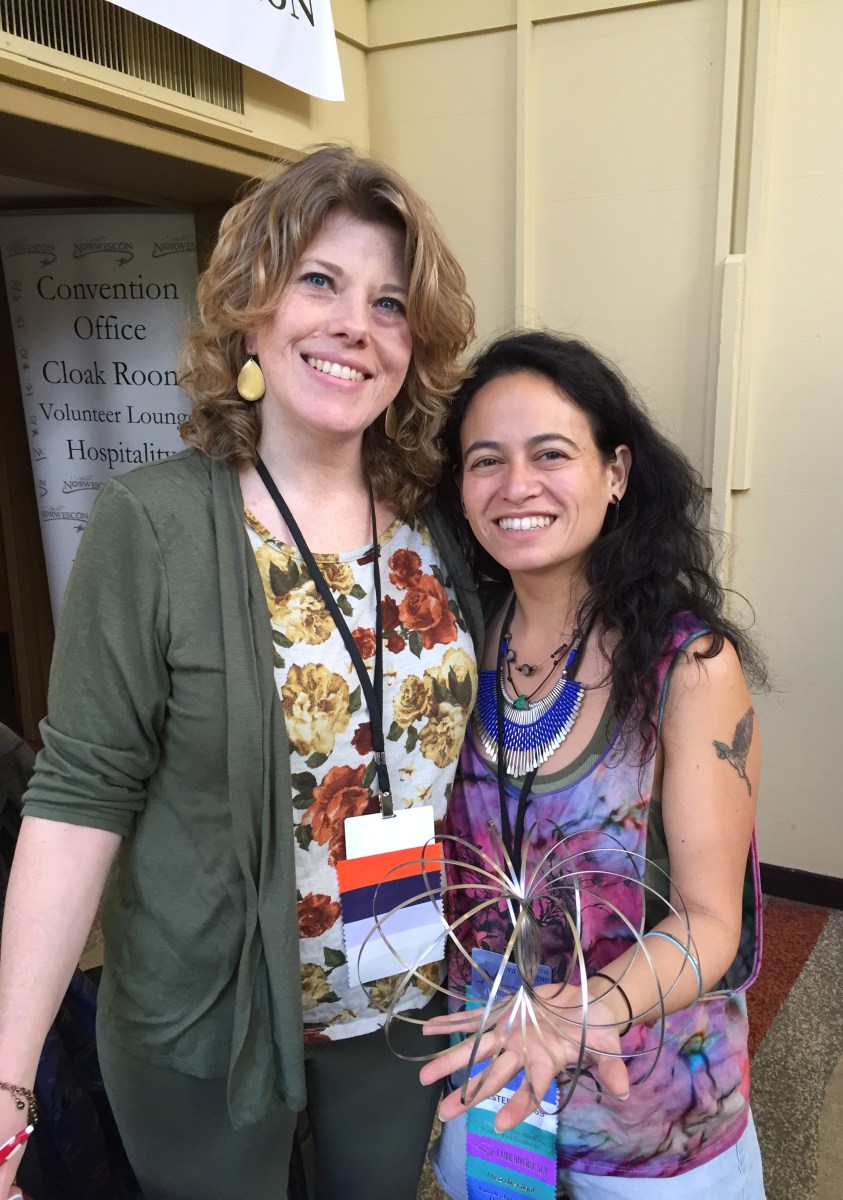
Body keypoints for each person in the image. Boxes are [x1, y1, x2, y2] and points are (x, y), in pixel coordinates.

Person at [0, 144, 484, 1200]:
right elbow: (79, 800)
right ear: (251, 312)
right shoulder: (152, 524)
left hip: (395, 993)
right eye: (320, 282)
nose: (355, 324)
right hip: (206, 1022)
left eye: (389, 303)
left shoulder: (440, 526)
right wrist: (7, 1082)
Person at [419, 330, 767, 1198]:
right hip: (497, 1091)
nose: (516, 485)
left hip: (652, 1126)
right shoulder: (450, 644)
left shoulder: (688, 667)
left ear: (615, 472)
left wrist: (581, 1011)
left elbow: (709, 923)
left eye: (550, 454)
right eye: (485, 460)